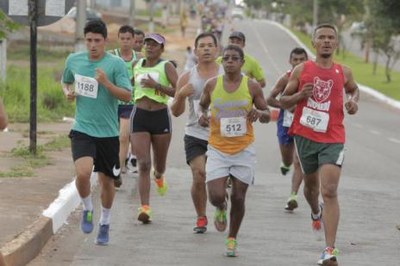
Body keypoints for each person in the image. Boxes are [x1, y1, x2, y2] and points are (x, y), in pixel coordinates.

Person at [280, 24, 359, 265]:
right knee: (311, 190)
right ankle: (315, 211)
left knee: (330, 190)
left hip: (333, 137)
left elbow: (353, 91)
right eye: (321, 37)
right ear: (313, 43)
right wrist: (299, 96)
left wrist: (353, 102)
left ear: (336, 43)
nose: (326, 41)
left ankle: (329, 249)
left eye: (331, 38)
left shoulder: (344, 72)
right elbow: (283, 100)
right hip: (305, 137)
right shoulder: (302, 70)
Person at [61, 20, 132, 245]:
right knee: (82, 173)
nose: (93, 45)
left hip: (108, 133)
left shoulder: (115, 64)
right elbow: (65, 81)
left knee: (106, 182)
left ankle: (105, 223)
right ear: (85, 40)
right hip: (82, 128)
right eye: (89, 40)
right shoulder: (74, 60)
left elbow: (126, 96)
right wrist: (67, 92)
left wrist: (106, 83)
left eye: (97, 41)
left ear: (105, 41)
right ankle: (88, 208)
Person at [199, 45, 270, 256]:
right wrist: (202, 116)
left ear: (241, 63)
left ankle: (232, 238)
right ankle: (221, 207)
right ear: (222, 62)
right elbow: (201, 106)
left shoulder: (253, 86)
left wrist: (259, 112)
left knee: (239, 197)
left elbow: (266, 112)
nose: (229, 61)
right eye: (226, 58)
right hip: (218, 148)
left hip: (243, 149)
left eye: (234, 58)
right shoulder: (212, 85)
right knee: (215, 195)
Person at [170, 32, 223, 233]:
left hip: (221, 135)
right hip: (195, 133)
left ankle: (220, 204)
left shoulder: (225, 75)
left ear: (217, 50)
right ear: (196, 50)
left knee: (218, 180)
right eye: (202, 46)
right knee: (199, 173)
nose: (207, 49)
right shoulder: (186, 77)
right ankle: (201, 216)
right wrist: (181, 96)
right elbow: (176, 112)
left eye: (210, 45)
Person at [130, 33, 178, 224]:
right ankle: (145, 208)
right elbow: (132, 86)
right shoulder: (136, 65)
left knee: (159, 165)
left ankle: (159, 176)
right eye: (147, 44)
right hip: (140, 116)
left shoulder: (166, 66)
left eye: (154, 45)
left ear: (161, 49)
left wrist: (156, 85)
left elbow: (178, 90)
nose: (149, 47)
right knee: (143, 164)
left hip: (160, 117)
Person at [266, 47, 308, 211]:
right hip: (286, 122)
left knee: (299, 160)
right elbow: (270, 98)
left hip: (304, 124)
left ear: (307, 60)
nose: (298, 63)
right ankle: (285, 163)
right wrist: (287, 105)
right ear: (290, 62)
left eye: (301, 59)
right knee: (289, 159)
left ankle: (293, 196)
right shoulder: (285, 78)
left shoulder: (312, 78)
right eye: (295, 60)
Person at [109, 25, 142, 187]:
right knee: (110, 139)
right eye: (122, 39)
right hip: (111, 103)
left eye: (128, 39)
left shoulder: (139, 58)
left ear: (134, 40)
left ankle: (118, 172)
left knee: (123, 137)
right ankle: (111, 165)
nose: (126, 42)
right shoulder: (111, 56)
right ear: (118, 39)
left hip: (130, 103)